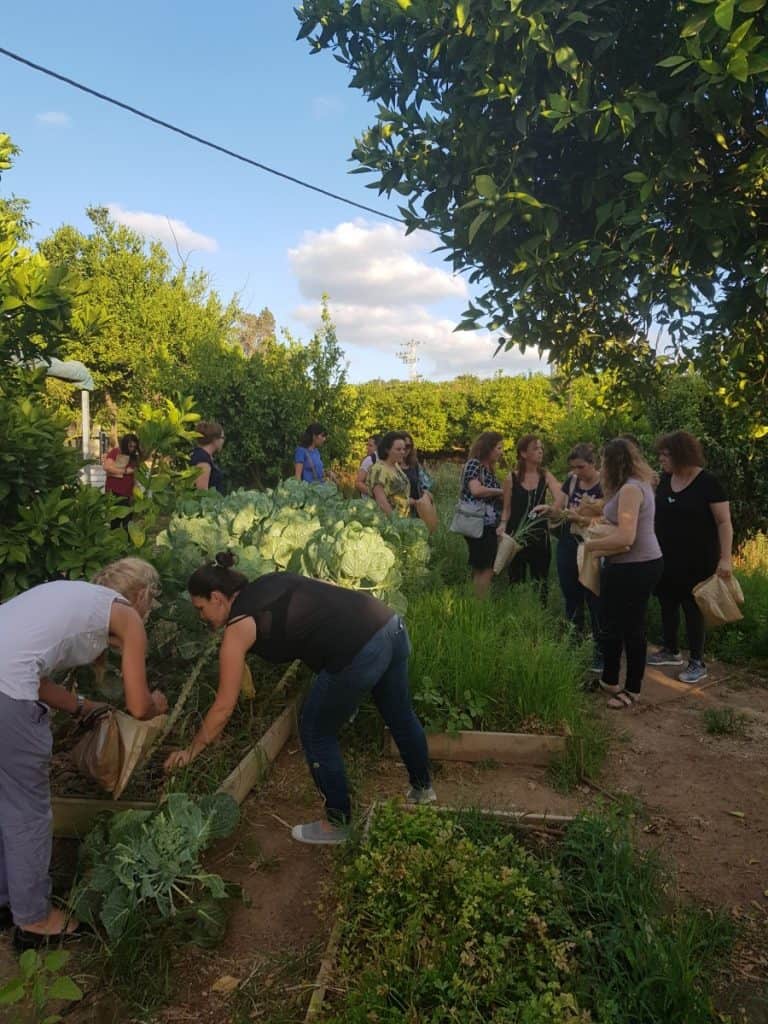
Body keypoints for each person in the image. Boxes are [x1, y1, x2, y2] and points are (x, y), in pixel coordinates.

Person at [164, 554, 434, 845]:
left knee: (315, 731)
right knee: (400, 715)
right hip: (388, 624)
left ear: (217, 597)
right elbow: (324, 594)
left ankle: (337, 823)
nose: (201, 617)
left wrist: (190, 752)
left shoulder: (238, 627)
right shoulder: (270, 580)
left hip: (359, 651)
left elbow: (224, 705)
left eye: (200, 608)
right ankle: (423, 790)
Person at [0, 559, 168, 951]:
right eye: (152, 602)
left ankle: (8, 901)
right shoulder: (127, 616)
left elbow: (35, 678)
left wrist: (81, 706)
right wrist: (159, 703)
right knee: (27, 810)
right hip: (8, 694)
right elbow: (139, 706)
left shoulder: (76, 600)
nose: (149, 611)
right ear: (142, 594)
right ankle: (35, 921)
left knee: (5, 802)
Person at [583, 439, 663, 708]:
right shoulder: (631, 485)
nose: (601, 468)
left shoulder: (631, 489)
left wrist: (591, 546)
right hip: (623, 565)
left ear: (612, 463)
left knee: (632, 627)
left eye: (604, 462)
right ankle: (609, 679)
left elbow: (626, 537)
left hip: (637, 565)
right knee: (611, 623)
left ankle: (632, 689)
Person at [649, 431, 733, 684]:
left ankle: (697, 661)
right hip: (665, 556)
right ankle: (670, 650)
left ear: (681, 455)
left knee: (692, 608)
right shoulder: (664, 480)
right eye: (661, 455)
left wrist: (725, 558)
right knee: (666, 602)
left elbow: (724, 522)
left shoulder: (708, 483)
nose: (661, 459)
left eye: (666, 455)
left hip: (698, 559)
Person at [541, 443, 604, 671]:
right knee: (571, 595)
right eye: (574, 467)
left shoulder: (605, 484)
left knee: (594, 597)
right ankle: (574, 644)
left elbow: (610, 519)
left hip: (594, 544)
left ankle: (600, 650)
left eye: (581, 467)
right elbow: (560, 508)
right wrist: (549, 510)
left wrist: (580, 518)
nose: (577, 472)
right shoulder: (572, 480)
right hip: (569, 541)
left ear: (593, 464)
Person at [499, 435, 560, 596]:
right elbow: (506, 509)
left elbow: (561, 497)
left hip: (540, 535)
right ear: (524, 454)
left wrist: (551, 508)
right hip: (516, 536)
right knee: (515, 581)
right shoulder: (511, 478)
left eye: (541, 448)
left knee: (540, 582)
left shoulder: (545, 475)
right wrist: (502, 525)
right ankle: (517, 613)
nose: (540, 452)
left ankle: (541, 615)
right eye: (535, 448)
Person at [460, 432, 504, 598]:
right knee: (486, 568)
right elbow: (476, 490)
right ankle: (479, 605)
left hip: (487, 524)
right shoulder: (474, 465)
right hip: (479, 523)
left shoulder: (489, 470)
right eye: (498, 448)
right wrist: (502, 492)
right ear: (488, 448)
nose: (501, 452)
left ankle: (476, 602)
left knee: (482, 567)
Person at [368, 432, 413, 517]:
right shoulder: (379, 469)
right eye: (398, 449)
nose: (403, 452)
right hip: (388, 522)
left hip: (403, 520)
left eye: (403, 449)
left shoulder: (396, 466)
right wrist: (395, 522)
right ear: (387, 450)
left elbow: (400, 496)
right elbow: (382, 502)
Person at [102, 434, 141, 526]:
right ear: (125, 444)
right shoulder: (116, 452)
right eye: (130, 446)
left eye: (134, 447)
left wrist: (135, 489)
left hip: (127, 493)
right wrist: (125, 471)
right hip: (114, 492)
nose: (132, 449)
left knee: (127, 522)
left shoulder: (133, 457)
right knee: (115, 521)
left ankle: (126, 540)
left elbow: (134, 474)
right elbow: (107, 466)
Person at [401, 433, 434, 517]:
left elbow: (425, 483)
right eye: (402, 445)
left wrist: (425, 492)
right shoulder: (391, 466)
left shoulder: (414, 464)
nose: (405, 449)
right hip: (400, 511)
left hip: (417, 510)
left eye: (408, 446)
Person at [191, 421, 225, 493]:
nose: (223, 441)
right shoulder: (203, 460)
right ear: (215, 440)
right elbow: (202, 492)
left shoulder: (205, 457)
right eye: (222, 438)